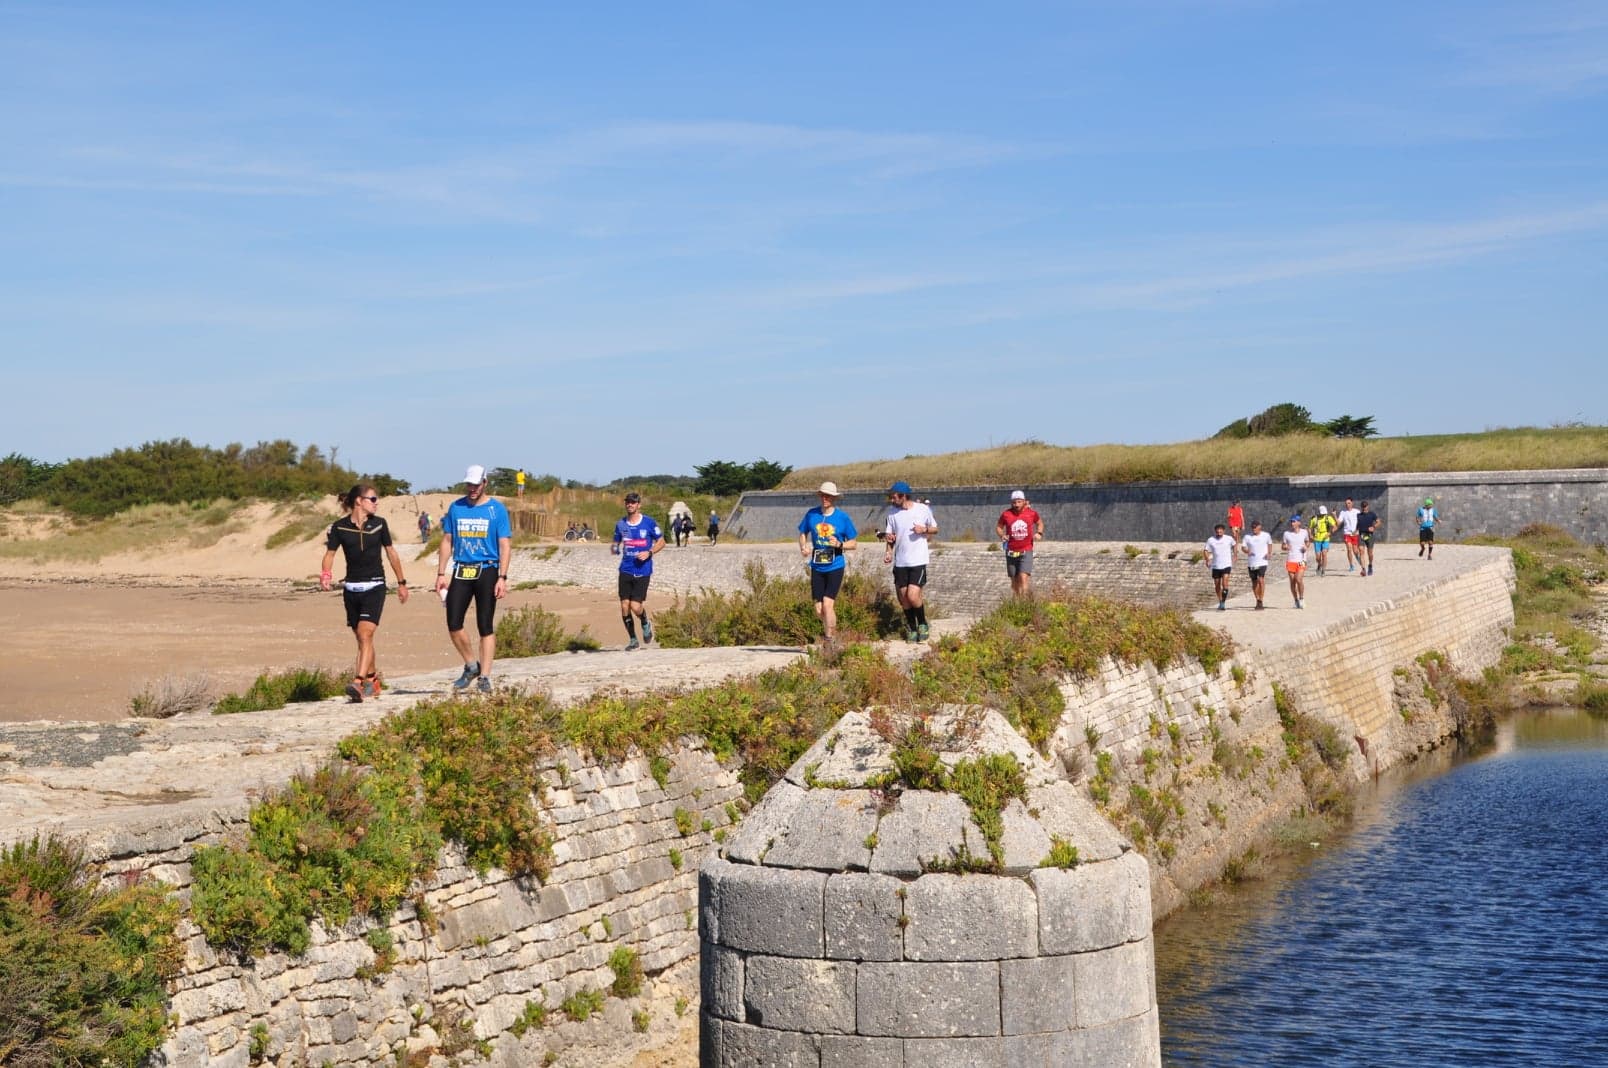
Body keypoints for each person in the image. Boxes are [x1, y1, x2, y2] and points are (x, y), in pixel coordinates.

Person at [321, 484, 410, 701]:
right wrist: (326, 574)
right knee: (362, 640)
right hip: (351, 589)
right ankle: (373, 679)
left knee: (365, 634)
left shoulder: (379, 524)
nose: (376, 502)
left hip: (375, 586)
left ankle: (358, 682)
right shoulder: (339, 527)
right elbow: (330, 554)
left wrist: (401, 582)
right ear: (359, 501)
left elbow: (391, 553)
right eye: (373, 499)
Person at [434, 464, 512, 693]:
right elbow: (447, 540)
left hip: (487, 569)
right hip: (462, 569)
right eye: (469, 484)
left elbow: (504, 544)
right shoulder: (456, 508)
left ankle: (485, 676)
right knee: (453, 622)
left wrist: (502, 577)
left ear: (485, 483)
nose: (472, 488)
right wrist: (441, 573)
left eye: (476, 484)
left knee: (485, 625)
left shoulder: (496, 510)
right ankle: (471, 665)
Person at [798, 481, 858, 645]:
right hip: (817, 566)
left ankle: (829, 641)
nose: (825, 498)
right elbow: (803, 533)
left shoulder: (842, 518)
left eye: (829, 496)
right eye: (823, 495)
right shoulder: (812, 514)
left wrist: (840, 544)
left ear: (834, 498)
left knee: (828, 604)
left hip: (835, 565)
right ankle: (830, 633)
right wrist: (803, 547)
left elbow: (853, 543)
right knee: (819, 609)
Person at [882, 480, 938, 641]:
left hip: (918, 560)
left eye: (894, 497)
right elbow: (890, 536)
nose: (892, 500)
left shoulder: (923, 509)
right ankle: (911, 627)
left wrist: (924, 529)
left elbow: (935, 528)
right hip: (900, 561)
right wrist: (888, 551)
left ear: (903, 496)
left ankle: (922, 623)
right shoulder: (892, 514)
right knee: (904, 598)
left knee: (913, 596)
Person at [612, 492, 665, 650]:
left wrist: (649, 552)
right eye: (627, 502)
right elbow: (616, 541)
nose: (630, 504)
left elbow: (662, 542)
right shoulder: (620, 524)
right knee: (624, 606)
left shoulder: (648, 522)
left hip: (643, 570)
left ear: (638, 505)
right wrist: (615, 548)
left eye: (633, 502)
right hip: (625, 569)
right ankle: (633, 640)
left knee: (635, 607)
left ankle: (645, 621)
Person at [995, 490, 1044, 597]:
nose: (1016, 505)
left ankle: (1024, 603)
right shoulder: (1006, 514)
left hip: (1026, 550)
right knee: (1014, 581)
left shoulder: (1031, 513)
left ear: (1024, 502)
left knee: (1023, 577)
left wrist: (1039, 533)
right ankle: (1018, 600)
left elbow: (1039, 523)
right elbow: (999, 527)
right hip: (1011, 551)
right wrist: (1002, 535)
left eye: (1019, 502)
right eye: (1014, 502)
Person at [1240, 519, 1272, 610]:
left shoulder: (1266, 535)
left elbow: (1270, 544)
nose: (1254, 529)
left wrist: (1269, 553)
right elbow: (1243, 547)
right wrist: (1247, 551)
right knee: (1254, 582)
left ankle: (1261, 600)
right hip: (1252, 562)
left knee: (1261, 579)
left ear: (1259, 527)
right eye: (1252, 527)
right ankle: (1257, 599)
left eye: (1255, 527)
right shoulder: (1247, 537)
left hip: (1263, 561)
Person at [1205, 523, 1236, 610]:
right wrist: (1207, 559)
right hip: (1215, 566)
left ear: (1223, 531)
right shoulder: (1211, 540)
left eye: (1220, 530)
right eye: (1217, 531)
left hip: (1226, 564)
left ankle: (1223, 602)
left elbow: (1234, 545)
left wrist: (1235, 555)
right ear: (1215, 531)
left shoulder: (1229, 538)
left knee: (1225, 583)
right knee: (1217, 585)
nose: (1219, 532)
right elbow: (1205, 550)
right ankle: (1220, 600)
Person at [1281, 514, 1309, 609]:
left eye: (1294, 521)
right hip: (1291, 560)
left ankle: (1301, 599)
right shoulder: (1286, 534)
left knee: (1298, 579)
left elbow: (1307, 542)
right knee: (1292, 582)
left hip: (1301, 560)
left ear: (1299, 523)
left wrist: (1306, 547)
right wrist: (1285, 547)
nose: (1292, 523)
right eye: (1291, 521)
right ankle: (1296, 600)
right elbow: (1283, 546)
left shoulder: (1304, 532)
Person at [1309, 505, 1337, 577]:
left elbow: (1335, 527)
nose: (1323, 515)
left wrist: (1330, 533)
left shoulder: (1328, 518)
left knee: (1324, 554)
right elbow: (1310, 528)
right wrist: (1310, 535)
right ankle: (1319, 564)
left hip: (1325, 539)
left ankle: (1323, 570)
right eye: (1322, 514)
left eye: (1324, 513)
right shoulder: (1314, 519)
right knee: (1318, 557)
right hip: (1317, 539)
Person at [1356, 499, 1381, 576]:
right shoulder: (1359, 515)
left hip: (1369, 536)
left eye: (1365, 506)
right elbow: (1358, 525)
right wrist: (1355, 531)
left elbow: (1379, 522)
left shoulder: (1372, 514)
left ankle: (1370, 565)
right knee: (1361, 551)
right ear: (1361, 507)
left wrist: (1374, 527)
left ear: (1368, 506)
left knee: (1370, 553)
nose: (1364, 508)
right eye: (1363, 506)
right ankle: (1363, 569)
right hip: (1361, 535)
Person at [1337, 497, 1361, 572]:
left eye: (1349, 503)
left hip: (1355, 534)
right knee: (1349, 549)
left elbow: (1360, 522)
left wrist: (1357, 530)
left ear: (1352, 503)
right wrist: (1334, 515)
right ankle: (1351, 565)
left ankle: (1360, 560)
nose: (1347, 505)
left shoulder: (1357, 511)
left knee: (1355, 551)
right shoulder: (1343, 512)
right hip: (1347, 533)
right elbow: (1338, 523)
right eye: (1346, 503)